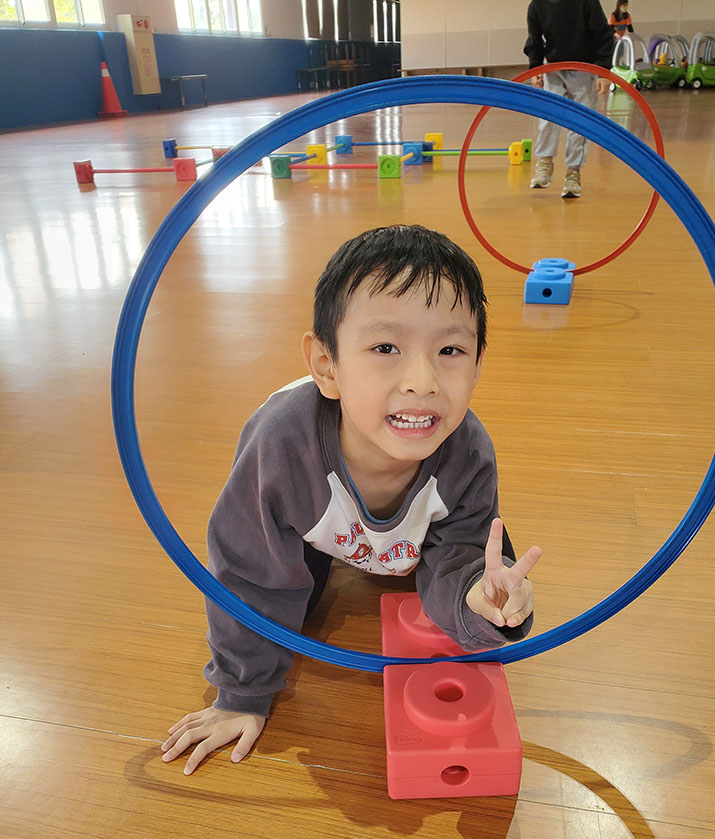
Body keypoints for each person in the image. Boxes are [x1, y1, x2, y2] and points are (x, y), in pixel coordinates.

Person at [161, 225, 542, 775]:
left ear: (478, 364)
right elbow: (247, 574)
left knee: (455, 576)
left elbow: (459, 551)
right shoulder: (280, 448)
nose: (422, 381)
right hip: (307, 528)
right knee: (294, 592)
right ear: (326, 366)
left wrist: (478, 599)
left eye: (451, 350)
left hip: (395, 535)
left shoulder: (468, 454)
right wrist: (242, 693)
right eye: (386, 348)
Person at [524, 0, 614, 199]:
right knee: (548, 117)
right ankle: (544, 163)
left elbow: (604, 35)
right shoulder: (537, 5)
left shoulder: (586, 2)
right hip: (554, 67)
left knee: (580, 122)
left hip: (583, 67)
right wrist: (535, 68)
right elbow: (534, 40)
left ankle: (573, 172)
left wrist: (603, 71)